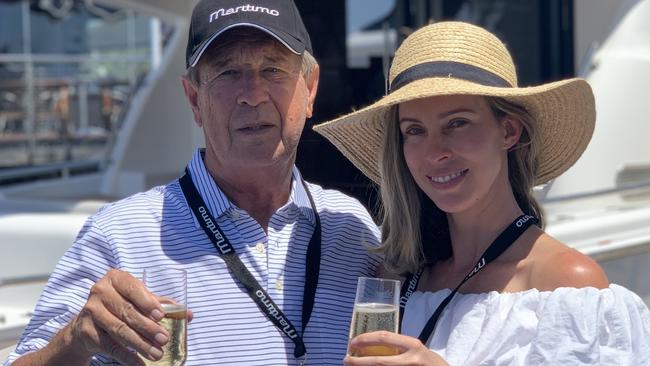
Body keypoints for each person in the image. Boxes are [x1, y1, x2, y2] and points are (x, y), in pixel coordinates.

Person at [4, 1, 380, 365]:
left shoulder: (350, 227)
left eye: (273, 70)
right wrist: (75, 340)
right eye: (228, 73)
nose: (252, 95)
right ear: (194, 99)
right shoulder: (119, 235)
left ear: (310, 89)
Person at [315, 21, 650, 365]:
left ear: (508, 131)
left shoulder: (567, 282)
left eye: (457, 123)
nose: (434, 152)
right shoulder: (398, 278)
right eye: (414, 130)